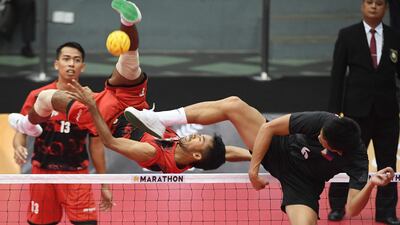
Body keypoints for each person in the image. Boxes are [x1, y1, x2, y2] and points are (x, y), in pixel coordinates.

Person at [8, 0, 251, 173]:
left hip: (106, 120)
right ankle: (128, 20)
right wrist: (259, 157)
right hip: (134, 108)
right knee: (130, 64)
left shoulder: (153, 154)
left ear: (197, 154)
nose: (196, 134)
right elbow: (225, 153)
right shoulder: (196, 155)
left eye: (200, 138)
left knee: (46, 98)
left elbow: (110, 143)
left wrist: (92, 106)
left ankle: (28, 124)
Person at [121, 98, 395, 225]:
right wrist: (254, 169)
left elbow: (352, 209)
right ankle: (161, 119)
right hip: (280, 147)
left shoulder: (357, 159)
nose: (319, 136)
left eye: (323, 139)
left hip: (303, 184)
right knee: (235, 105)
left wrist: (372, 183)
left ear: (339, 148)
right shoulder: (323, 120)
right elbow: (268, 129)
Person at [12, 42, 113, 225]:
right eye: (66, 59)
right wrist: (18, 146)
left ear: (83, 66)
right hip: (42, 174)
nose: (71, 64)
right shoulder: (38, 95)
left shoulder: (90, 101)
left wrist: (104, 183)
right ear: (56, 63)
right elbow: (22, 130)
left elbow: (97, 146)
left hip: (76, 175)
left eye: (77, 60)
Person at [327, 0, 400, 224]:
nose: (374, 7)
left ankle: (386, 211)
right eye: (369, 2)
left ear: (385, 8)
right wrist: (333, 114)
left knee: (388, 162)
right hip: (354, 114)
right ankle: (338, 207)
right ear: (362, 6)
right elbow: (337, 76)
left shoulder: (395, 36)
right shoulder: (347, 35)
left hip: (387, 113)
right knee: (344, 158)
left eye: (379, 3)